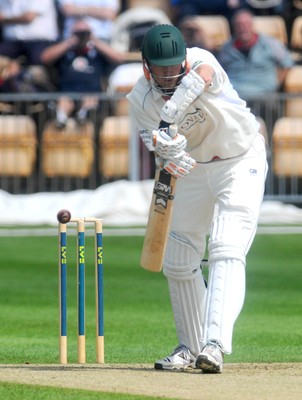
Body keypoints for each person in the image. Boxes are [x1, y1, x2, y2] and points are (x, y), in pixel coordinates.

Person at [127, 24, 268, 373]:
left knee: (226, 245)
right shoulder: (139, 98)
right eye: (159, 69)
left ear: (183, 60)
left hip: (240, 159)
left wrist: (169, 115)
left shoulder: (201, 61)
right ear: (146, 66)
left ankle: (215, 344)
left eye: (173, 66)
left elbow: (203, 76)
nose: (167, 74)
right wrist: (167, 150)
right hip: (195, 168)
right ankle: (191, 347)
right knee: (177, 258)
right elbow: (155, 143)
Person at [41, 19, 125, 128]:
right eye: (78, 32)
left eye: (85, 32)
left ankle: (83, 116)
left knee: (90, 100)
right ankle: (61, 119)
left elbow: (119, 58)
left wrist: (94, 40)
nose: (81, 36)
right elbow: (45, 58)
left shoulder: (96, 53)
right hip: (68, 94)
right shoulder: (65, 51)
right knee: (64, 101)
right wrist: (69, 42)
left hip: (91, 94)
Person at [0, 0, 59, 65]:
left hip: (39, 41)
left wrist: (5, 20)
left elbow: (28, 18)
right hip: (12, 43)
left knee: (37, 59)